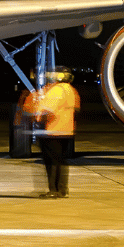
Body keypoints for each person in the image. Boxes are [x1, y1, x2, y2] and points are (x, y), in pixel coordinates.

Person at [31, 69, 79, 198]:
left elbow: (48, 110)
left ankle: (53, 191)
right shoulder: (70, 90)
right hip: (66, 131)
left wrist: (39, 122)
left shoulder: (57, 90)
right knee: (61, 161)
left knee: (52, 162)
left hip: (53, 131)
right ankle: (62, 190)